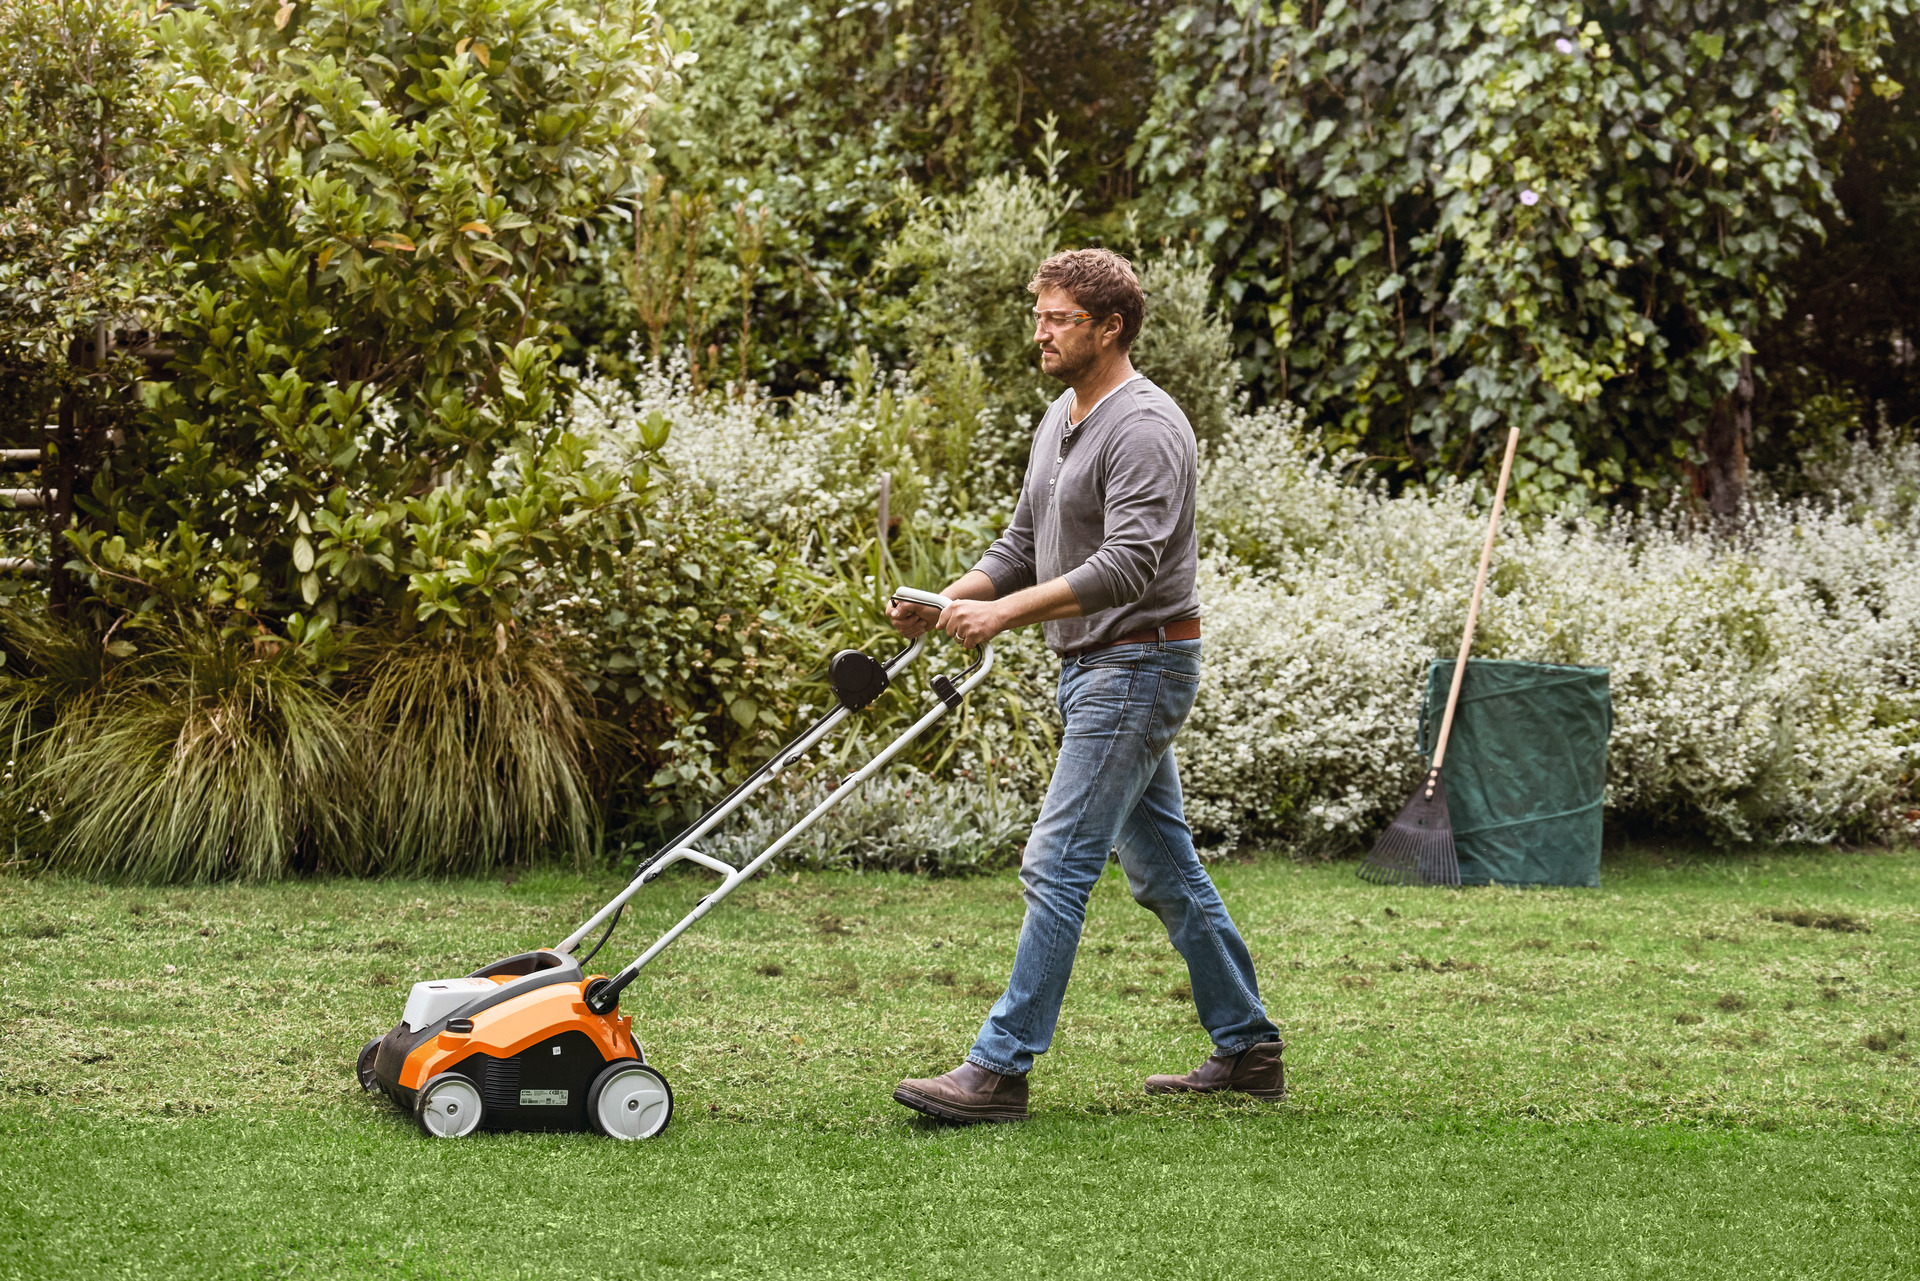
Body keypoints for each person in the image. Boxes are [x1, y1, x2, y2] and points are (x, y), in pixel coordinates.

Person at [886, 248, 1283, 1125]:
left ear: (1111, 327)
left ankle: (999, 1069)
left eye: (1059, 318)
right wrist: (947, 599)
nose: (1041, 332)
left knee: (1056, 861)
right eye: (1039, 315)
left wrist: (1003, 615)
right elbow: (1022, 544)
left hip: (1139, 662)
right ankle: (1250, 1045)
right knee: (1164, 869)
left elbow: (1128, 565)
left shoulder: (1145, 426)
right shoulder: (1060, 417)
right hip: (1096, 667)